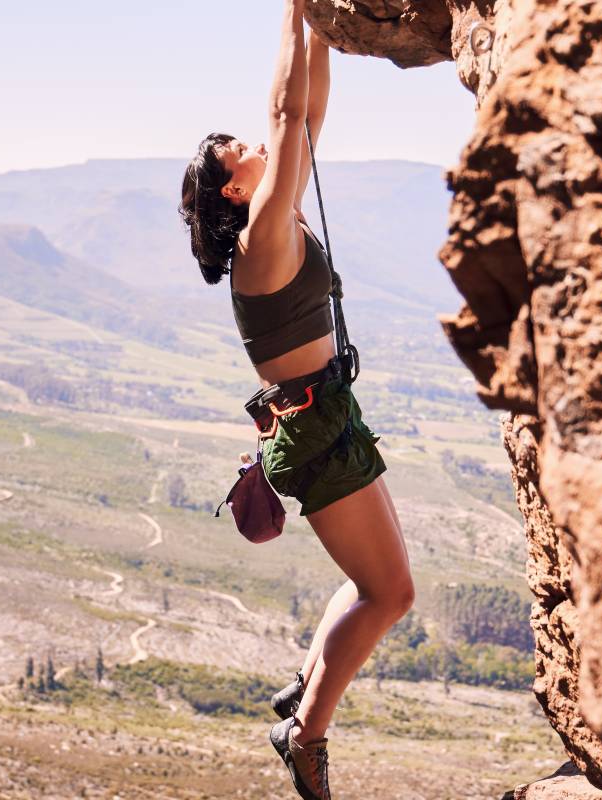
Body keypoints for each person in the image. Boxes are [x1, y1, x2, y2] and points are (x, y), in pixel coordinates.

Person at [177, 4, 415, 798]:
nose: (253, 145)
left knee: (374, 580)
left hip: (328, 413)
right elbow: (286, 114)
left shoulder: (276, 217)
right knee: (391, 592)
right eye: (234, 153)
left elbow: (304, 115)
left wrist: (321, 30)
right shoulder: (261, 242)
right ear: (231, 190)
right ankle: (305, 734)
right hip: (315, 433)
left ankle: (303, 687)